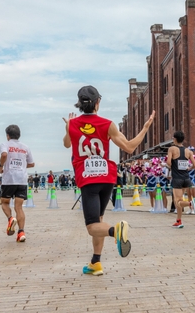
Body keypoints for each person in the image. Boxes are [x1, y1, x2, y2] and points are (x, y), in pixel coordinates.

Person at [63, 85, 154, 276]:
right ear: (98, 102)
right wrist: (145, 128)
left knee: (92, 227)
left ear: (79, 104)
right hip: (107, 178)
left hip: (88, 179)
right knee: (99, 221)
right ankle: (95, 262)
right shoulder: (108, 124)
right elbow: (129, 147)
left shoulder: (72, 124)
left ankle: (116, 231)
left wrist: (68, 126)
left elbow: (67, 144)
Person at [0, 125, 35, 243]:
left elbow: (4, 155)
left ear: (8, 135)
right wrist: (22, 165)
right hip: (22, 180)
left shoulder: (5, 144)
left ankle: (10, 219)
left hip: (9, 179)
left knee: (4, 202)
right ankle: (21, 232)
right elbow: (32, 164)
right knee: (19, 207)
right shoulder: (25, 147)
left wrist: (1, 166)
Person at [166, 131, 195, 228]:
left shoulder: (172, 149)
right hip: (186, 178)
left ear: (175, 139)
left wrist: (171, 166)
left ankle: (191, 203)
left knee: (177, 201)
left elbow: (168, 162)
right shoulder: (189, 151)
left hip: (177, 178)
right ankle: (179, 221)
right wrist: (188, 168)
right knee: (179, 201)